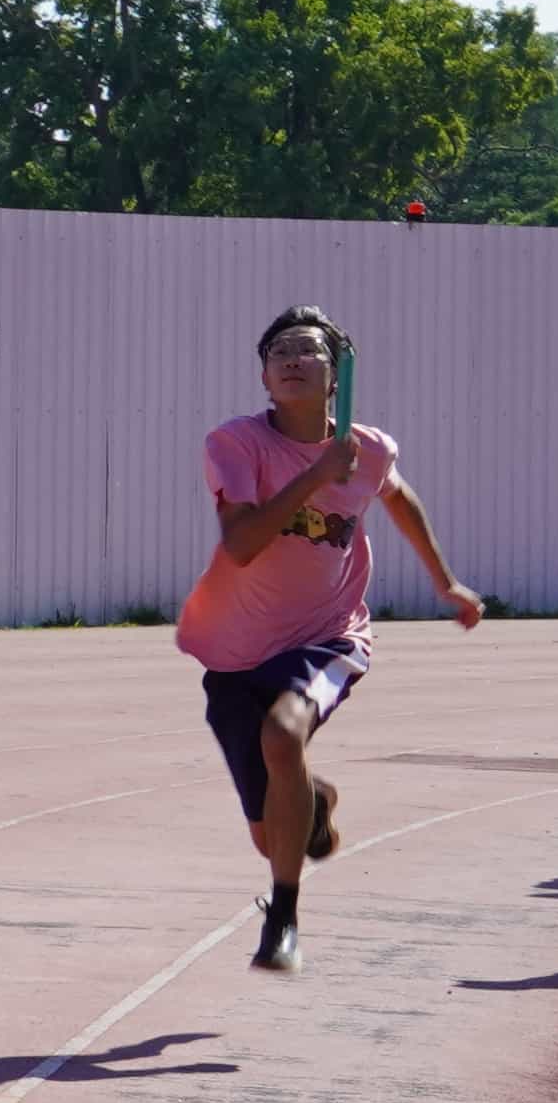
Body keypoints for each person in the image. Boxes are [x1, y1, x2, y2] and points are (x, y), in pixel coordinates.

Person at [182, 306, 486, 978]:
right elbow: (241, 544)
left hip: (330, 637)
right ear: (264, 377)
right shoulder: (235, 444)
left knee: (283, 733)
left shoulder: (367, 450)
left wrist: (446, 582)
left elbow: (397, 498)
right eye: (279, 351)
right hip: (235, 651)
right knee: (270, 835)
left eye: (309, 350)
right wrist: (318, 476)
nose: (292, 358)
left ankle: (284, 919)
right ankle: (311, 801)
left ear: (336, 374)